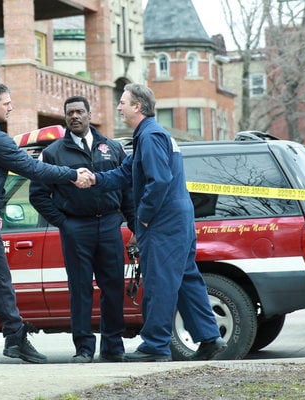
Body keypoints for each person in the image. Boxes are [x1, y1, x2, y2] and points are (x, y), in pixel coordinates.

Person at [0, 81, 91, 364]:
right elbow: (32, 168)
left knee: (0, 281)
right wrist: (72, 175)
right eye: (6, 103)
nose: (11, 107)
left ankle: (15, 338)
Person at [89, 83, 226, 362]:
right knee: (186, 279)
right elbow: (125, 173)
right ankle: (209, 338)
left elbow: (159, 181)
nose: (119, 107)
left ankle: (155, 345)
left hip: (164, 220)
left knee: (159, 282)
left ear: (137, 107)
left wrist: (144, 219)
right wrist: (93, 179)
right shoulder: (150, 135)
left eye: (123, 102)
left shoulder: (150, 137)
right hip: (178, 218)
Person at [29, 96, 136, 363]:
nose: (74, 116)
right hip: (76, 228)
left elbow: (128, 190)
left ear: (90, 114)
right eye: (70, 113)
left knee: (113, 287)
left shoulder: (111, 147)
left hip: (110, 225)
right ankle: (84, 348)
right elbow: (38, 195)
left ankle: (113, 347)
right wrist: (65, 223)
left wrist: (134, 226)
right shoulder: (53, 154)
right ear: (65, 118)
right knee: (80, 289)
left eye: (79, 112)